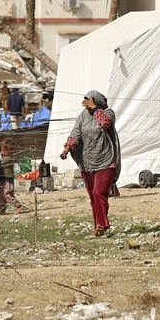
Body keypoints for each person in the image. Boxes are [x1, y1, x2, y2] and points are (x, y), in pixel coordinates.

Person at [60, 90, 121, 236]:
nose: (86, 106)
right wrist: (67, 149)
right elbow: (76, 133)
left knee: (99, 192)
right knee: (94, 196)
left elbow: (105, 124)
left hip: (105, 160)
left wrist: (94, 107)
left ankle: (102, 224)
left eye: (89, 102)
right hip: (87, 161)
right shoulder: (83, 116)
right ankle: (98, 226)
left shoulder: (108, 113)